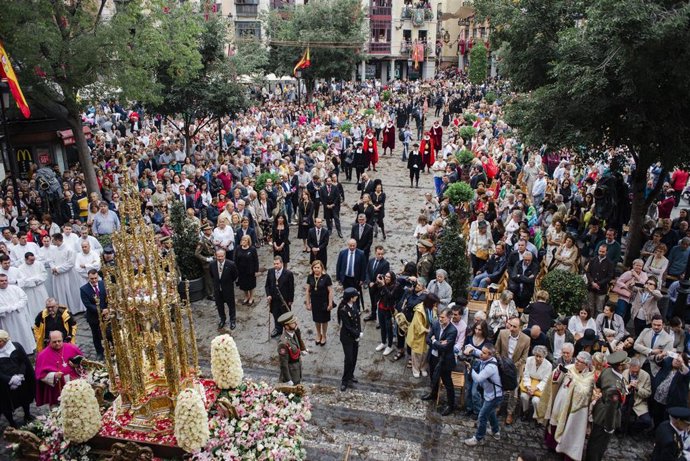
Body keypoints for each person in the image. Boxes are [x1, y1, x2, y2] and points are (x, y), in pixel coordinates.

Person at [543, 351, 595, 461]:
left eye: (580, 362)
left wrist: (574, 380)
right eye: (577, 360)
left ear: (586, 365)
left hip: (573, 408)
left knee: (568, 428)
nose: (577, 363)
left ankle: (564, 451)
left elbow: (584, 393)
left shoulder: (589, 377)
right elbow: (556, 380)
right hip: (561, 399)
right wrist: (557, 372)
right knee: (555, 421)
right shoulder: (570, 367)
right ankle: (552, 444)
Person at [585, 351, 630, 461]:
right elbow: (611, 411)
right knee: (598, 444)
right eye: (625, 363)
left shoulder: (608, 370)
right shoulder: (614, 390)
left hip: (600, 408)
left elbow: (600, 384)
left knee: (594, 440)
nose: (627, 365)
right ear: (620, 366)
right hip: (604, 418)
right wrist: (609, 428)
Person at [463, 344, 504, 446]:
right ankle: (496, 431)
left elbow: (478, 378)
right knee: (491, 413)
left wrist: (470, 368)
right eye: (482, 351)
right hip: (490, 394)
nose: (481, 354)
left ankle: (478, 438)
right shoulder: (487, 358)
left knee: (482, 416)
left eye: (484, 353)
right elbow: (477, 352)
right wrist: (470, 348)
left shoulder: (491, 367)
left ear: (490, 355)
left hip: (494, 396)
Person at [421, 307, 458, 416]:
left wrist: (434, 340)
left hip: (445, 360)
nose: (440, 319)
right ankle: (433, 393)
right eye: (440, 317)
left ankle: (450, 405)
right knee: (433, 376)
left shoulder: (452, 330)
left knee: (447, 383)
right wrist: (437, 343)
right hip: (433, 357)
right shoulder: (436, 324)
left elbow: (445, 348)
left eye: (442, 317)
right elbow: (428, 339)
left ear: (449, 317)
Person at [495, 317, 530, 425]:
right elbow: (496, 350)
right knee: (499, 387)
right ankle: (497, 406)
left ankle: (510, 412)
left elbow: (524, 358)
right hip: (502, 366)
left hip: (515, 368)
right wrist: (502, 364)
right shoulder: (502, 333)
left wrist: (512, 367)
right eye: (510, 325)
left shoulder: (526, 339)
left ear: (520, 327)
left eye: (515, 327)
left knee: (514, 393)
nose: (512, 328)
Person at [34, 330, 84, 407]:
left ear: (62, 339)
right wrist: (53, 375)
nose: (57, 343)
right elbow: (40, 375)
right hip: (57, 388)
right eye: (54, 342)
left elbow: (84, 363)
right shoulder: (42, 355)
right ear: (49, 341)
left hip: (75, 384)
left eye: (59, 341)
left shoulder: (71, 347)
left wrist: (76, 365)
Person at [0, 330, 35, 428]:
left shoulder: (16, 346)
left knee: (25, 398)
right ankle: (11, 422)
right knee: (6, 404)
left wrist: (20, 376)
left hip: (20, 380)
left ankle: (27, 415)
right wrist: (9, 380)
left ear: (5, 340)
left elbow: (23, 362)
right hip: (4, 385)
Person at [0, 274, 35, 354]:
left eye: (5, 280)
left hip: (19, 316)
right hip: (6, 319)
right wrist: (7, 309)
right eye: (1, 281)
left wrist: (16, 306)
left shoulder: (15, 288)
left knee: (23, 332)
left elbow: (24, 298)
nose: (4, 282)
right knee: (10, 334)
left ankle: (27, 351)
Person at [50, 233, 84, 314]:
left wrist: (58, 269)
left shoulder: (69, 249)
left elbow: (70, 263)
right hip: (57, 275)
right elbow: (51, 260)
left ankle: (73, 309)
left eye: (53, 240)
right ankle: (63, 309)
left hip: (68, 275)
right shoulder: (54, 249)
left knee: (69, 291)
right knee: (60, 292)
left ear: (58, 240)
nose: (52, 242)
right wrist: (53, 268)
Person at [407, 293, 439, 379]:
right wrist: (428, 331)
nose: (436, 305)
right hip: (419, 334)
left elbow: (435, 319)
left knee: (426, 352)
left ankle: (423, 367)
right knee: (417, 352)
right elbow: (418, 325)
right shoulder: (419, 310)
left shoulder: (433, 309)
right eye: (434, 303)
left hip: (428, 334)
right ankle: (416, 369)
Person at [338, 287, 362, 392]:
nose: (357, 297)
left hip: (355, 336)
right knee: (348, 359)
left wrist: (358, 333)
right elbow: (347, 326)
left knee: (354, 357)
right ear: (351, 298)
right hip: (347, 337)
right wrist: (357, 333)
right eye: (355, 296)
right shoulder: (343, 309)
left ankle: (351, 374)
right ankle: (344, 380)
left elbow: (357, 319)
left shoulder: (354, 305)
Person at [519, 345, 552, 421]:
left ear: (544, 356)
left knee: (535, 401)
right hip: (529, 383)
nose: (538, 358)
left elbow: (545, 380)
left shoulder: (548, 365)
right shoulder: (529, 360)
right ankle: (525, 411)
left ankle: (537, 416)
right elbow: (526, 374)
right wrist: (528, 386)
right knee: (524, 396)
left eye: (540, 357)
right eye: (536, 356)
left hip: (540, 386)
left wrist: (535, 389)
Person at [621, 357, 653, 434]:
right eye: (633, 371)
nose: (635, 373)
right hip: (625, 400)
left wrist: (638, 389)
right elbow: (620, 389)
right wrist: (628, 387)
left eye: (637, 371)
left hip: (639, 402)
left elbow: (648, 393)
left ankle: (632, 430)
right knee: (619, 416)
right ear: (629, 367)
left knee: (647, 421)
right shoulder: (624, 373)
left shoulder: (646, 376)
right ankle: (621, 430)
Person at [305, 260, 334, 346]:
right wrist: (308, 303)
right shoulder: (310, 277)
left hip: (324, 301)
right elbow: (307, 291)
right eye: (314, 267)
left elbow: (330, 291)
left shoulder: (326, 277)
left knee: (324, 320)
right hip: (315, 301)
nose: (316, 269)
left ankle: (324, 335)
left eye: (318, 267)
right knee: (317, 320)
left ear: (321, 268)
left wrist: (330, 303)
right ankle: (318, 334)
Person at [265, 256, 295, 338]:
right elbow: (267, 285)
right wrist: (268, 295)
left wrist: (290, 299)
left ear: (281, 263)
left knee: (285, 315)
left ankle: (287, 330)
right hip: (274, 299)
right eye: (274, 264)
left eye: (277, 264)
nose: (276, 265)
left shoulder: (288, 274)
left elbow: (291, 288)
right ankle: (278, 329)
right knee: (275, 314)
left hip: (284, 300)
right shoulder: (270, 271)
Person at [210, 249, 239, 331]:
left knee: (231, 306)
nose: (220, 258)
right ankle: (222, 319)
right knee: (219, 306)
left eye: (221, 256)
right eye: (218, 256)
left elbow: (235, 275)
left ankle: (232, 320)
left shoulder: (231, 264)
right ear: (215, 256)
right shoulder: (212, 264)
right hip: (217, 290)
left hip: (228, 289)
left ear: (224, 256)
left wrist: (228, 283)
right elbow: (212, 275)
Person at [17, 252, 49, 320]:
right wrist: (34, 280)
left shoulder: (38, 264)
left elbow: (44, 274)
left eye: (33, 259)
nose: (33, 261)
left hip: (40, 287)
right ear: (25, 259)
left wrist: (37, 280)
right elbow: (23, 281)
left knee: (43, 302)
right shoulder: (20, 268)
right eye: (31, 260)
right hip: (30, 291)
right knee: (33, 306)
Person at [277, 312, 307, 385]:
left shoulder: (294, 333)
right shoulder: (283, 343)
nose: (296, 324)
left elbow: (298, 341)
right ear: (286, 326)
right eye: (292, 323)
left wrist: (302, 350)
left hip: (297, 368)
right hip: (291, 372)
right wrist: (288, 379)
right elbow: (283, 364)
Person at [365, 245, 390, 322]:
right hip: (371, 286)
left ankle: (380, 319)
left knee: (379, 303)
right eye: (378, 254)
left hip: (379, 287)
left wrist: (375, 282)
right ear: (375, 252)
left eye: (382, 254)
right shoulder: (371, 261)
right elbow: (367, 272)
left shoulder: (385, 263)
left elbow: (384, 276)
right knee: (372, 301)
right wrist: (369, 282)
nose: (380, 255)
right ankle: (373, 315)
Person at [234, 235, 259, 306]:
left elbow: (256, 260)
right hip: (241, 271)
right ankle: (246, 296)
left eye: (245, 240)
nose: (243, 242)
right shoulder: (238, 248)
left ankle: (251, 297)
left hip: (250, 270)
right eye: (242, 240)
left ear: (248, 241)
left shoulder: (252, 249)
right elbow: (235, 259)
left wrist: (256, 271)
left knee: (251, 285)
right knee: (243, 285)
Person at [195, 223, 216, 300]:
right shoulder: (202, 241)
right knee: (209, 279)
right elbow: (197, 254)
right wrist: (206, 259)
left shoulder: (212, 237)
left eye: (210, 229)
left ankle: (214, 292)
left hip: (214, 260)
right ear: (204, 231)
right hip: (207, 263)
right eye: (208, 229)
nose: (210, 230)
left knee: (214, 277)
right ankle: (210, 294)